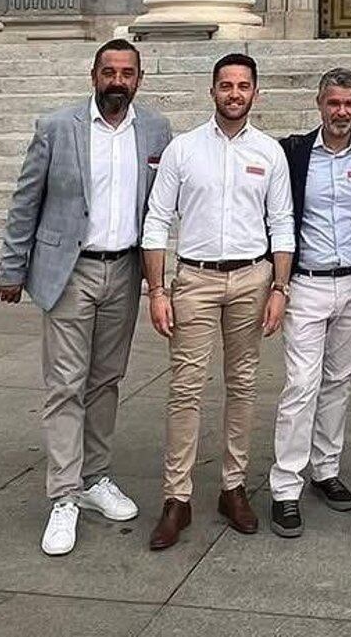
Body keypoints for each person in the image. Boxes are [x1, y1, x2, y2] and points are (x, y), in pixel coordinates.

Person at [0, 40, 173, 557]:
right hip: (70, 271)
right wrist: (12, 266)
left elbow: (163, 202)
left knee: (106, 381)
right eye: (109, 72)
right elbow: (26, 200)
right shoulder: (57, 127)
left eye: (128, 73)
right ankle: (65, 496)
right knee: (65, 384)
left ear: (139, 79)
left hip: (124, 270)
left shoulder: (156, 130)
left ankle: (95, 478)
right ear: (93, 75)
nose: (118, 80)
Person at [141, 52, 294, 550]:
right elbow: (157, 220)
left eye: (243, 86)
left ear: (255, 93)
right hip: (196, 282)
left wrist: (280, 288)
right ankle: (177, 497)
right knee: (185, 388)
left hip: (252, 280)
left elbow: (283, 224)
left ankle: (233, 487)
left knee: (243, 385)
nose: (234, 94)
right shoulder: (183, 150)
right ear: (212, 91)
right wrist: (157, 290)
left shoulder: (270, 153)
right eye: (225, 85)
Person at [266, 67, 351, 538]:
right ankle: (285, 487)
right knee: (301, 383)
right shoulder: (294, 153)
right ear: (320, 104)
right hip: (307, 283)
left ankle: (325, 468)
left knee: (339, 380)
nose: (342, 112)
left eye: (350, 104)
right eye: (334, 103)